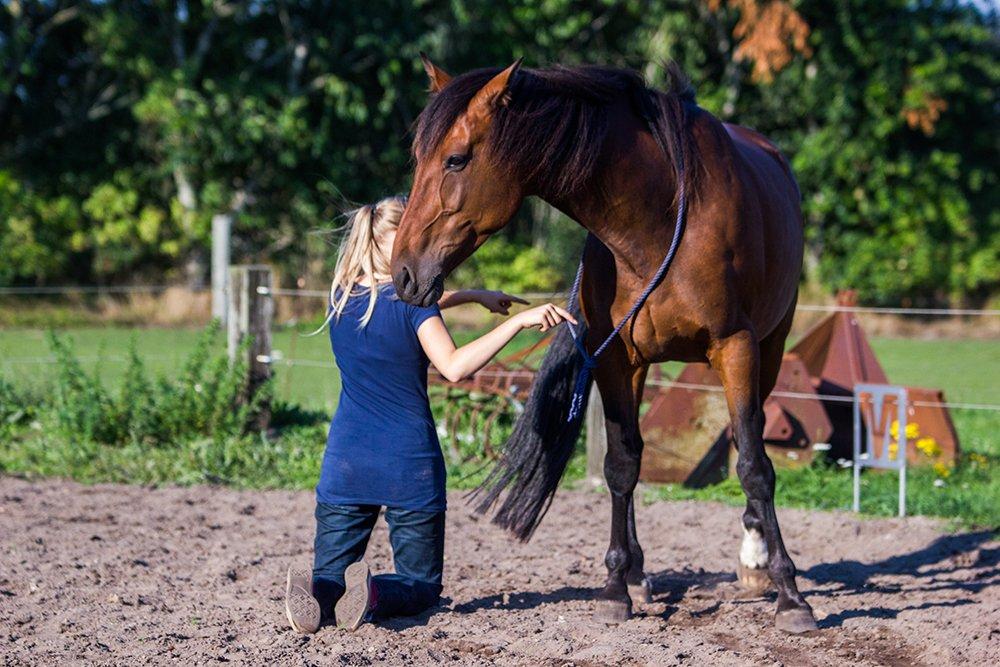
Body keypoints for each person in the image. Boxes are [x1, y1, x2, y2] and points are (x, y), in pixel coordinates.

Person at [284, 195, 576, 633]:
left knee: (331, 575)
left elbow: (393, 306)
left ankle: (318, 592)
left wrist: (471, 296)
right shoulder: (415, 308)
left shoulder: (339, 299)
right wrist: (515, 323)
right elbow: (454, 366)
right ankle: (376, 593)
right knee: (421, 585)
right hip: (408, 464)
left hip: (346, 463)